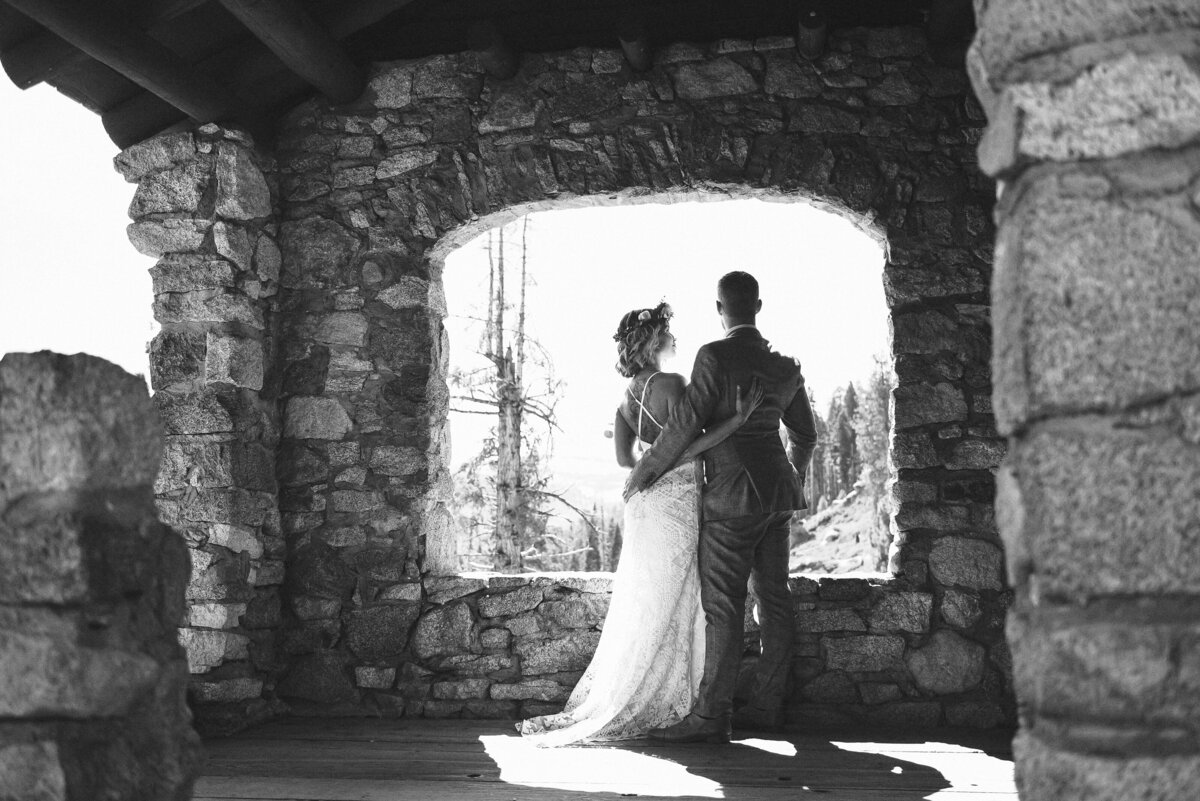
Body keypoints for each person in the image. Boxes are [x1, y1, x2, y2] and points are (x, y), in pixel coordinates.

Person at [518, 301, 764, 746]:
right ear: (654, 342)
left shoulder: (626, 397)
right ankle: (681, 700)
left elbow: (623, 460)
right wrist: (738, 419)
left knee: (650, 597)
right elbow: (688, 444)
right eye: (669, 334)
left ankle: (646, 692)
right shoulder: (672, 383)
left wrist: (649, 466)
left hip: (646, 503)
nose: (674, 340)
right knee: (684, 593)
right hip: (678, 497)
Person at [623, 271, 817, 744]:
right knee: (774, 600)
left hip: (731, 499)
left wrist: (643, 475)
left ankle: (712, 719)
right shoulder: (786, 365)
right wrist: (791, 476)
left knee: (723, 607)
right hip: (777, 499)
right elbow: (806, 435)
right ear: (759, 306)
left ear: (719, 308)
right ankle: (768, 708)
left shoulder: (714, 356)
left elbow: (685, 425)